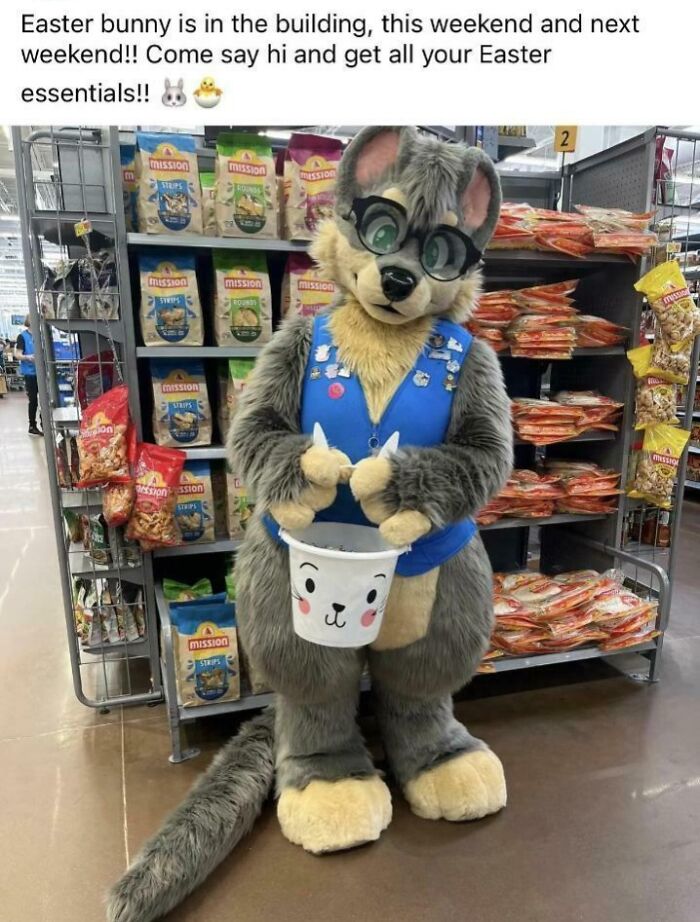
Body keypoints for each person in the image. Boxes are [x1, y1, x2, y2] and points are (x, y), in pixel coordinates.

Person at [15, 316, 42, 435]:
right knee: (33, 400)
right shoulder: (22, 336)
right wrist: (28, 357)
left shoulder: (41, 335)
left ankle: (44, 423)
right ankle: (32, 425)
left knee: (45, 401)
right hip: (30, 373)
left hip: (42, 372)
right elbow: (18, 354)